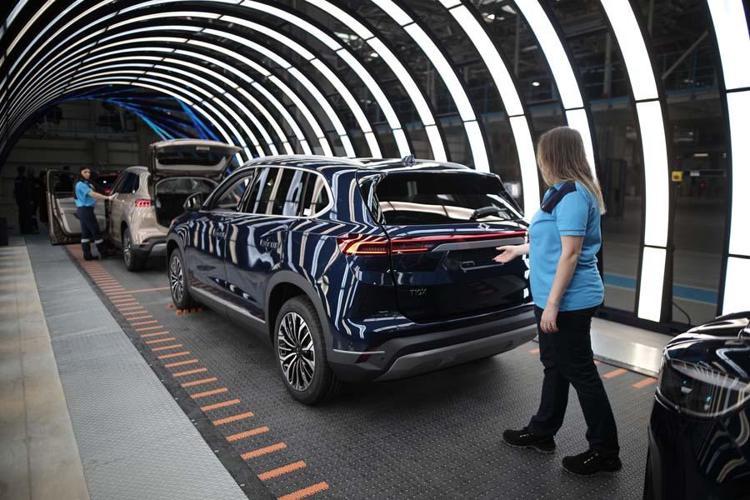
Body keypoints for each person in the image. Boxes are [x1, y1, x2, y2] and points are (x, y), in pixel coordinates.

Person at [495, 126, 620, 476]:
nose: (540, 162)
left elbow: (571, 253)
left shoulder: (574, 196)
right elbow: (550, 239)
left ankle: (605, 451)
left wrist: (552, 305)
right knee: (555, 365)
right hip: (553, 297)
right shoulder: (558, 192)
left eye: (542, 155)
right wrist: (519, 249)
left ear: (553, 156)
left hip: (569, 301)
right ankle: (542, 431)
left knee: (581, 372)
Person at [75, 166, 113, 260]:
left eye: (89, 172)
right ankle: (103, 253)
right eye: (85, 172)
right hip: (85, 210)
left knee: (85, 234)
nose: (88, 174)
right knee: (95, 231)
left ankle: (87, 255)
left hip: (84, 210)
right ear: (80, 173)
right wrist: (107, 198)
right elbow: (92, 194)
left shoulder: (86, 183)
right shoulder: (80, 184)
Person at [13, 165, 34, 234]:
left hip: (21, 200)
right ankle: (26, 229)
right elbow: (27, 190)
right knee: (26, 215)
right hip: (25, 200)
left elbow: (15, 190)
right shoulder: (24, 179)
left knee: (22, 215)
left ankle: (23, 229)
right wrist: (30, 199)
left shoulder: (17, 179)